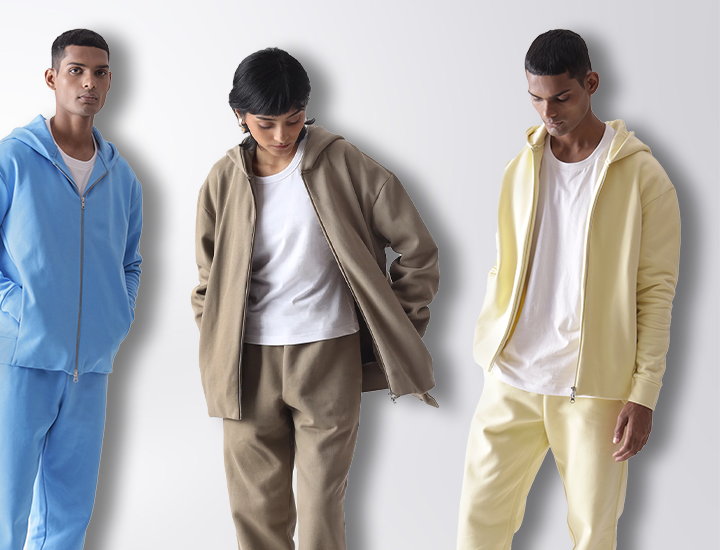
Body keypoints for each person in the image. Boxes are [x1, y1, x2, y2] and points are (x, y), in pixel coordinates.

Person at [191, 47, 439, 550]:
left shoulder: (344, 163)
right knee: (255, 508)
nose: (282, 135)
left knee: (322, 504)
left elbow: (417, 249)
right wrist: (218, 338)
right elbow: (207, 279)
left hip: (329, 353)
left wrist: (398, 325)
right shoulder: (223, 179)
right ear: (239, 115)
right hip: (247, 363)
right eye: (266, 124)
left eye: (294, 118)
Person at [457, 29, 680, 549]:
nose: (548, 112)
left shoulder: (645, 179)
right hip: (511, 376)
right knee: (476, 525)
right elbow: (507, 265)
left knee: (593, 533)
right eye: (536, 99)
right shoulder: (522, 167)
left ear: (591, 83)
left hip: (595, 388)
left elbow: (655, 292)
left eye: (561, 97)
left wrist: (644, 393)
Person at [0, 29, 142, 550]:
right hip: (20, 359)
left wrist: (116, 317)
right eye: (76, 70)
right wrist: (15, 312)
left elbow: (130, 262)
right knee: (5, 509)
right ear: (52, 77)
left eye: (100, 72)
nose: (89, 83)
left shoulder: (122, 178)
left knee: (70, 515)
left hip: (90, 369)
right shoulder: (12, 159)